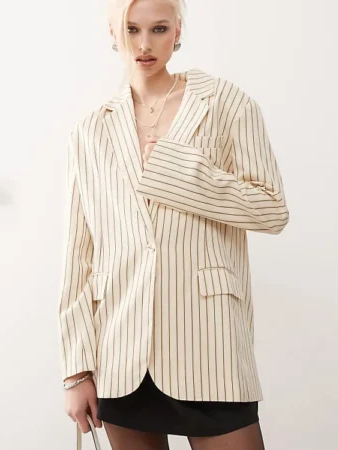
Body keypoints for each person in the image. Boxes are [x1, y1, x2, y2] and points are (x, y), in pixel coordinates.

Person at [58, 0, 289, 448]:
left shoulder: (225, 103)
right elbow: (77, 256)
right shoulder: (90, 131)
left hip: (210, 342)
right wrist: (76, 371)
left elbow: (271, 209)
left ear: (178, 31)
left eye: (159, 29)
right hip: (121, 352)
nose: (144, 44)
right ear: (112, 34)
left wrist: (182, 172)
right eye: (131, 29)